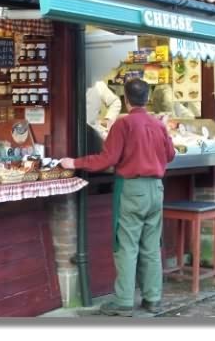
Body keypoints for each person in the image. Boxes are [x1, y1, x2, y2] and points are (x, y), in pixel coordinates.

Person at [61, 78, 176, 316]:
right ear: (147, 98)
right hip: (156, 189)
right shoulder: (158, 125)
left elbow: (107, 159)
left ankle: (124, 301)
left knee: (126, 246)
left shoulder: (123, 125)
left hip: (132, 189)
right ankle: (153, 298)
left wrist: (75, 162)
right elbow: (170, 155)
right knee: (151, 246)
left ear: (126, 99)